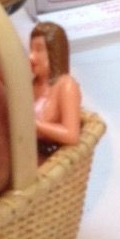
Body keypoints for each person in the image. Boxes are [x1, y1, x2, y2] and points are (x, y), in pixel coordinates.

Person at [29, 19, 82, 149]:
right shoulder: (32, 84)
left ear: (54, 52)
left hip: (50, 151)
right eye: (31, 50)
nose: (31, 57)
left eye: (39, 50)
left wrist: (33, 124)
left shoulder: (66, 85)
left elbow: (71, 135)